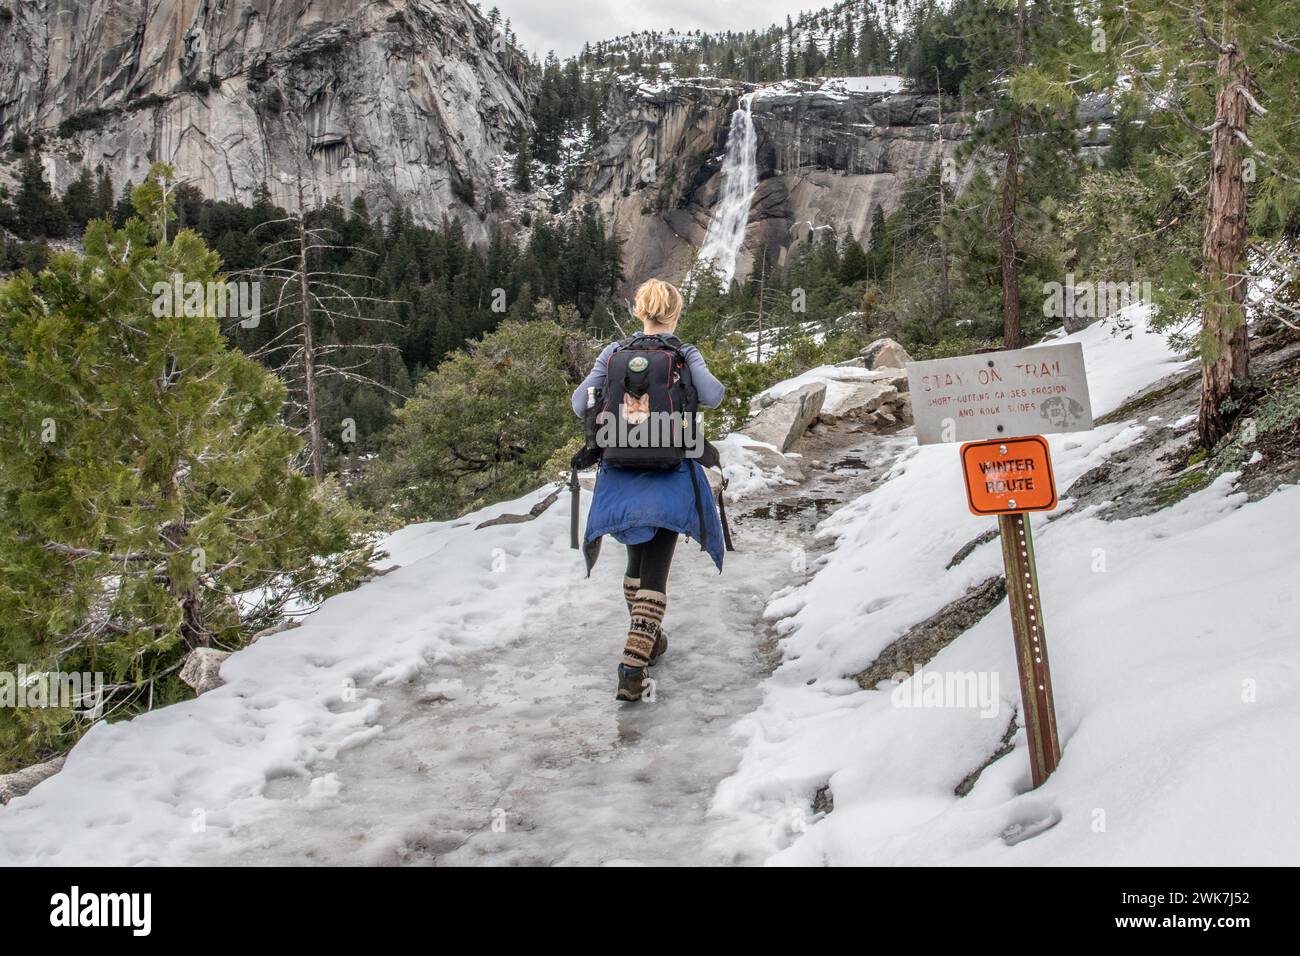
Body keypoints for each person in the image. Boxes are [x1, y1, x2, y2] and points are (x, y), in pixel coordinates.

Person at [571, 278, 726, 702]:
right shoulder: (683, 352)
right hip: (670, 470)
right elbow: (712, 395)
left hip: (620, 471)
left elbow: (578, 401)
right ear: (675, 312)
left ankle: (649, 639)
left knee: (635, 562)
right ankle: (632, 666)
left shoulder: (614, 353)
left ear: (638, 311)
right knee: (655, 570)